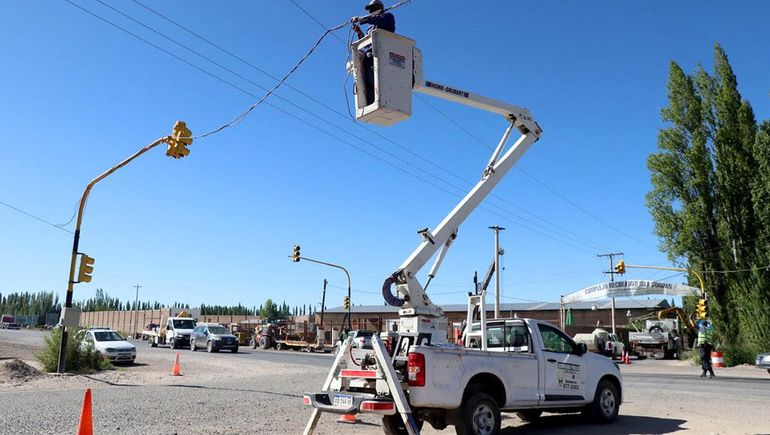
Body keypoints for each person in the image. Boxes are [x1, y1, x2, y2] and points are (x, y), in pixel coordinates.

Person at [350, 0, 397, 106]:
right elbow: (367, 45)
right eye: (370, 9)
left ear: (379, 7)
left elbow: (378, 19)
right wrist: (359, 32)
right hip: (371, 53)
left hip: (384, 51)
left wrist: (361, 19)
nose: (371, 11)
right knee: (365, 73)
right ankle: (371, 101)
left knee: (369, 58)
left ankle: (379, 95)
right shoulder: (370, 28)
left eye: (373, 8)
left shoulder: (387, 17)